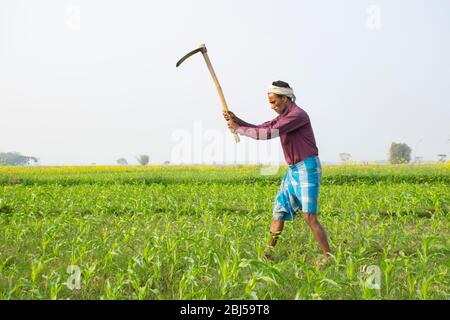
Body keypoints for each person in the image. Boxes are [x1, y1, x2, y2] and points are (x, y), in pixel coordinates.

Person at [223, 81, 331, 261]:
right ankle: (268, 253)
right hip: (293, 169)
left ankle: (328, 257)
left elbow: (267, 134)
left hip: (307, 168)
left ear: (285, 99)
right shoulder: (284, 116)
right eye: (270, 102)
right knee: (279, 210)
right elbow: (263, 127)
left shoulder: (297, 115)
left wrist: (239, 129)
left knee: (309, 216)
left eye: (274, 102)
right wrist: (237, 120)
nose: (272, 106)